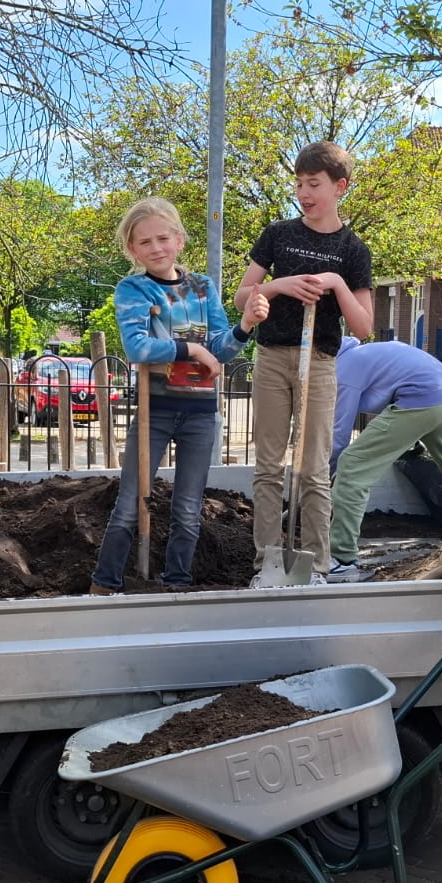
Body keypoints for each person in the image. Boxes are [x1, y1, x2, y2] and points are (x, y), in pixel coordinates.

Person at [88, 197, 269, 593]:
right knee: (129, 503)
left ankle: (177, 583)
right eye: (145, 242)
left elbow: (221, 349)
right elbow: (136, 348)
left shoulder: (202, 287)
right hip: (157, 411)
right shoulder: (133, 288)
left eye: (163, 238)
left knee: (188, 508)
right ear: (132, 249)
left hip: (201, 413)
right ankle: (105, 584)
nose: (156, 248)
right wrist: (192, 350)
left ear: (180, 240)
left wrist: (245, 325)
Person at [234, 141, 374, 584]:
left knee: (313, 468)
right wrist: (280, 286)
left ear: (340, 187)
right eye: (298, 184)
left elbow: (365, 326)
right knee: (268, 467)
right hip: (273, 357)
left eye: (313, 184)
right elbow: (241, 296)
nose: (304, 193)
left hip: (320, 361)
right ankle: (266, 564)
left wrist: (335, 283)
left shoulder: (353, 250)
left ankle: (316, 565)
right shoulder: (278, 234)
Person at [326, 335, 442, 581]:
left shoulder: (343, 369)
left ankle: (342, 560)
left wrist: (324, 476)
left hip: (422, 399)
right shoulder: (365, 354)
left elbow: (339, 434)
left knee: (352, 466)